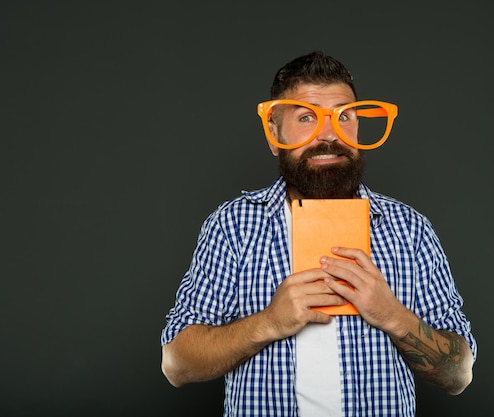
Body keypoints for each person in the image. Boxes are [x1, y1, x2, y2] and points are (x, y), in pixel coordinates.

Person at [160, 50, 477, 417]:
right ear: (274, 133)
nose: (329, 134)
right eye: (307, 117)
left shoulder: (410, 230)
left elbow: (459, 373)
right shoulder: (232, 227)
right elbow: (176, 364)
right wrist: (270, 322)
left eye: (344, 115)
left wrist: (392, 314)